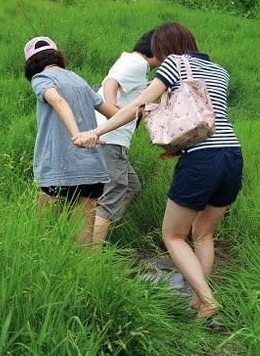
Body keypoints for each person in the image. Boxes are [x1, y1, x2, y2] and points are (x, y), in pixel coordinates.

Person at [73, 22, 242, 319]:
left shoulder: (175, 64)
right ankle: (197, 299)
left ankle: (206, 299)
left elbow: (137, 104)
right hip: (232, 156)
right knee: (203, 233)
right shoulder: (221, 71)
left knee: (173, 235)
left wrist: (97, 132)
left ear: (166, 49)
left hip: (201, 160)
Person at [24, 36, 116, 245]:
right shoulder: (79, 80)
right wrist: (141, 106)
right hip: (91, 167)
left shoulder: (41, 78)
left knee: (42, 234)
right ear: (57, 56)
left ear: (30, 64)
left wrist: (76, 135)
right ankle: (81, 276)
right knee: (83, 241)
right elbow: (113, 113)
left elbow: (57, 100)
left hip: (58, 166)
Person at [92, 29, 159, 246]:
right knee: (114, 192)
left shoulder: (132, 62)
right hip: (111, 140)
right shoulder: (137, 63)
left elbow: (123, 86)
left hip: (112, 140)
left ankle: (104, 231)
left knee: (131, 186)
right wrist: (112, 109)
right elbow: (111, 83)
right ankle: (91, 253)